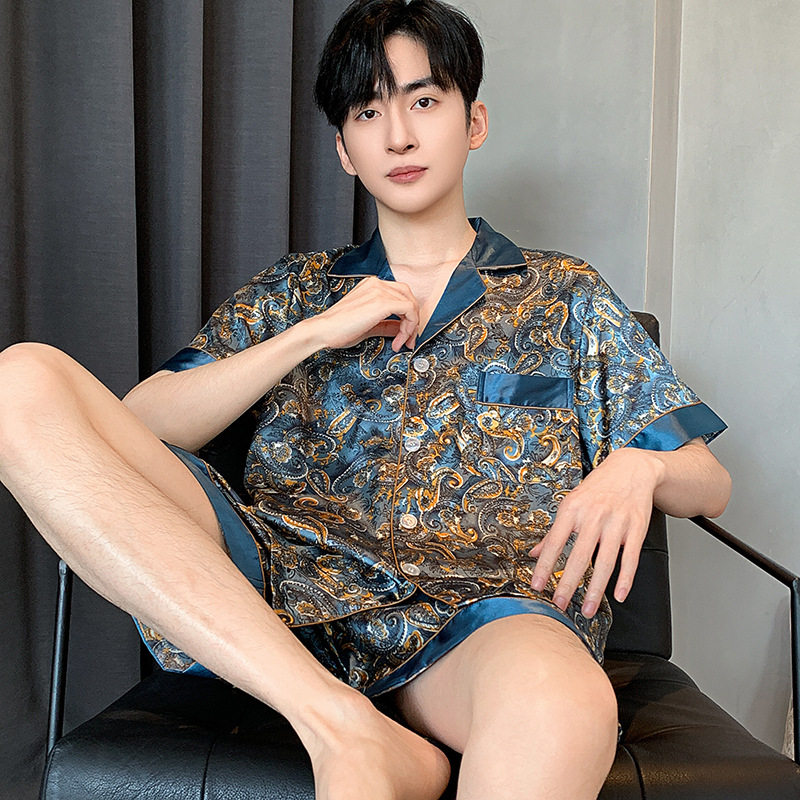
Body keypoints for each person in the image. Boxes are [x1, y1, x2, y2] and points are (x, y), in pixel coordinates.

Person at [0, 1, 731, 798]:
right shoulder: (294, 291)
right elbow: (131, 428)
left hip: (483, 618)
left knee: (561, 703)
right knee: (20, 380)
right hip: (279, 604)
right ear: (345, 150)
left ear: (474, 122)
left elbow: (709, 482)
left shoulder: (565, 294)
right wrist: (311, 334)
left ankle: (361, 734)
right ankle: (338, 724)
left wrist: (640, 467)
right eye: (368, 112)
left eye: (424, 101)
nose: (399, 136)